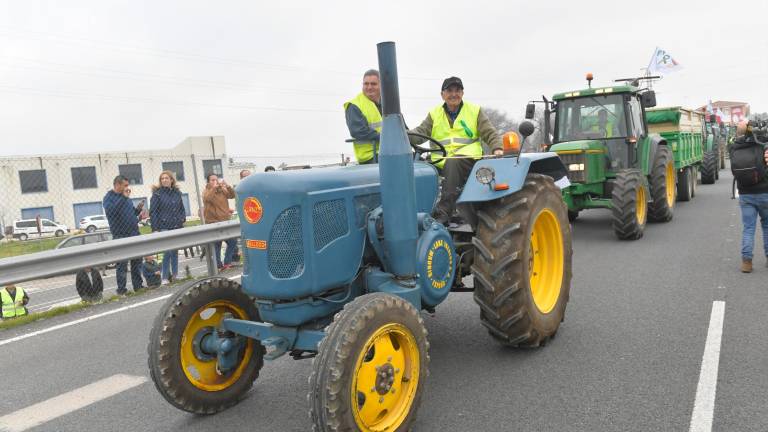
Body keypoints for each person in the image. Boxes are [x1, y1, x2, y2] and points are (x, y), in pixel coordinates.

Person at [408, 76, 503, 224]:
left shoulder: (474, 111)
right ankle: (415, 212)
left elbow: (489, 132)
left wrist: (497, 148)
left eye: (457, 90)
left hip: (466, 160)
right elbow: (420, 133)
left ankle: (444, 213)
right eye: (449, 91)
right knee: (417, 168)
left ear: (462, 93)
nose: (454, 94)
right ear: (442, 95)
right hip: (440, 162)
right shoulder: (434, 114)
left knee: (452, 164)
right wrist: (402, 135)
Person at [731, 121, 768, 273]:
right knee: (766, 226)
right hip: (765, 192)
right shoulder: (763, 145)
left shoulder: (734, 147)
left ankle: (747, 262)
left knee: (748, 228)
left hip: (745, 194)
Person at [103, 175, 144, 294]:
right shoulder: (108, 198)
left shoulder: (126, 198)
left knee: (137, 262)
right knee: (122, 264)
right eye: (125, 185)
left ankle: (138, 286)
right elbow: (112, 212)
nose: (127, 188)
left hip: (134, 233)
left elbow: (131, 213)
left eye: (127, 185)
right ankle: (122, 290)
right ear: (117, 185)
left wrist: (138, 210)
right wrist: (123, 198)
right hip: (120, 235)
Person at [149, 171, 187, 284]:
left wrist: (182, 218)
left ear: (171, 180)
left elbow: (181, 208)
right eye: (162, 178)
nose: (164, 180)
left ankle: (175, 275)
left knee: (175, 251)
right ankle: (165, 277)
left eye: (166, 178)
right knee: (167, 252)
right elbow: (153, 213)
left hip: (176, 226)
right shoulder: (157, 195)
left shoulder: (177, 193)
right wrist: (155, 229)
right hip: (164, 227)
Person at [344, 69, 383, 164]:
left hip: (390, 151)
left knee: (420, 160)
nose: (369, 87)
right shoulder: (354, 105)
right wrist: (387, 138)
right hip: (371, 156)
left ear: (381, 85)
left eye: (373, 84)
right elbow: (359, 131)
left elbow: (401, 127)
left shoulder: (390, 104)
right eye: (366, 84)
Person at [202, 173, 237, 270]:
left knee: (232, 242)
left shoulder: (222, 190)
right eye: (212, 180)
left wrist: (228, 186)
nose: (215, 181)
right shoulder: (207, 191)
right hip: (213, 221)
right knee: (217, 244)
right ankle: (218, 265)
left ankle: (227, 263)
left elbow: (232, 195)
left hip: (225, 221)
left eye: (216, 179)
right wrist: (213, 188)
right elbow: (207, 198)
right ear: (208, 182)